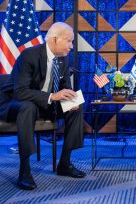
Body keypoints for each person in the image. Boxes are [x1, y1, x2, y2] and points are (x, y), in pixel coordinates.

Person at [0, 22, 85, 190]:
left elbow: (64, 87)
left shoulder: (63, 60)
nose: (71, 46)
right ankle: (25, 170)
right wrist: (53, 96)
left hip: (44, 103)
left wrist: (70, 99)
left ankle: (65, 164)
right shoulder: (29, 55)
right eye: (69, 41)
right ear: (54, 39)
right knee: (28, 107)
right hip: (14, 104)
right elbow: (20, 92)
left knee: (76, 108)